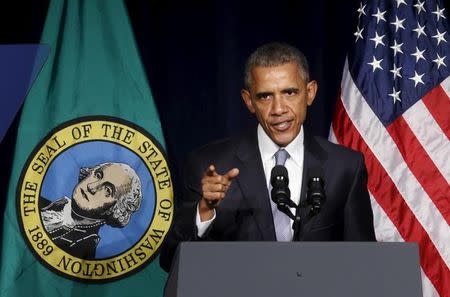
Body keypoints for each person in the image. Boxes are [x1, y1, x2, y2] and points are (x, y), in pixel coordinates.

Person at [160, 42, 375, 272]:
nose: (279, 109)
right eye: (265, 97)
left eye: (289, 92)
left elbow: (364, 263)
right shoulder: (210, 165)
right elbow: (172, 261)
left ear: (310, 92)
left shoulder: (345, 167)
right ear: (249, 101)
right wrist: (204, 211)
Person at [40, 162, 142, 259]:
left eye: (107, 190)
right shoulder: (36, 203)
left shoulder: (80, 253)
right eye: (98, 175)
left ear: (115, 209)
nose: (91, 187)